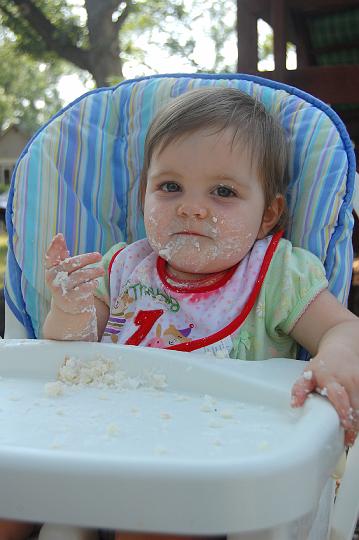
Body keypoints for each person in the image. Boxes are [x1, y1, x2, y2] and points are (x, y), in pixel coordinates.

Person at [2, 87, 358, 540]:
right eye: (170, 187)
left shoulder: (276, 275)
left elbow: (343, 327)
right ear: (144, 195)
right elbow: (66, 352)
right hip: (88, 445)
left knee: (155, 523)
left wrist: (337, 354)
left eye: (223, 191)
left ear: (268, 214)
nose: (191, 206)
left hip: (205, 473)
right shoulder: (123, 267)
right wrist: (70, 308)